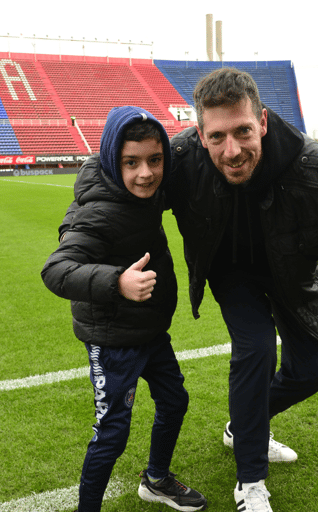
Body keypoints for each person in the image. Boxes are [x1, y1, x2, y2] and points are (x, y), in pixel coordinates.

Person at [167, 68, 318, 511]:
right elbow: (119, 175)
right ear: (200, 133)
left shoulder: (314, 165)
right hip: (230, 273)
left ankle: (243, 425)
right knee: (257, 347)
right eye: (217, 137)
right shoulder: (182, 158)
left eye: (243, 131)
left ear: (262, 121)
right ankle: (250, 482)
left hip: (293, 271)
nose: (232, 150)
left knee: (316, 371)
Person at [41, 106, 207, 512]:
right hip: (112, 339)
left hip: (148, 330)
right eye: (130, 163)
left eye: (155, 160)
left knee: (175, 401)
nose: (145, 173)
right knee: (112, 433)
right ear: (114, 160)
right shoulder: (100, 211)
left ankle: (155, 480)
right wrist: (117, 281)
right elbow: (56, 270)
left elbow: (182, 148)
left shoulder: (142, 190)